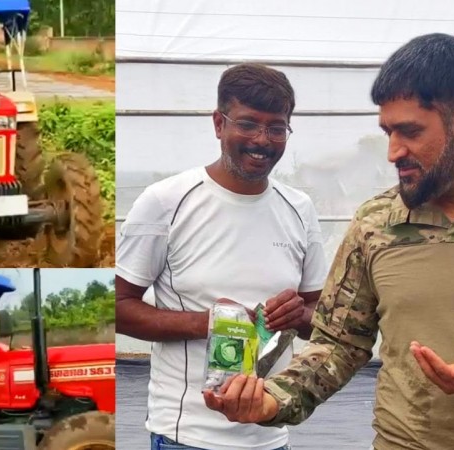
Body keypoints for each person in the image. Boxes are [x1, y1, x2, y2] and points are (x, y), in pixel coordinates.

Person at [203, 33, 454, 450]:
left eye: (410, 131)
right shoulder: (377, 223)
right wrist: (273, 399)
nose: (393, 152)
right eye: (388, 132)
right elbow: (338, 344)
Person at [116, 63, 329, 450]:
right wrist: (211, 323)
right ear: (219, 124)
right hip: (189, 437)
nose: (262, 140)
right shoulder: (167, 202)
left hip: (271, 434)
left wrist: (298, 316)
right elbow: (116, 306)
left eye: (276, 128)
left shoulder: (299, 209)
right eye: (247, 124)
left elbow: (321, 318)